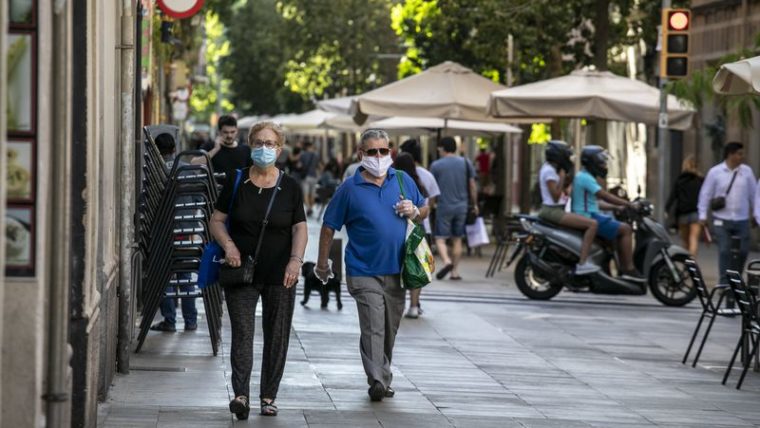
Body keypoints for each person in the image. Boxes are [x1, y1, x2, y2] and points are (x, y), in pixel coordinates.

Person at [314, 129, 428, 402]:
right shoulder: (349, 189)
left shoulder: (402, 180)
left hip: (398, 270)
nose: (379, 156)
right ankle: (377, 379)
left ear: (390, 152)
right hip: (362, 270)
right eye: (372, 151)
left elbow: (424, 210)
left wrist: (415, 211)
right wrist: (322, 263)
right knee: (374, 324)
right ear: (360, 154)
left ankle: (382, 373)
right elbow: (329, 227)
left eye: (384, 151)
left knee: (390, 327)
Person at [209, 121, 307, 420]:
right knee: (242, 333)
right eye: (259, 143)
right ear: (250, 145)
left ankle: (268, 396)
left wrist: (296, 260)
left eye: (270, 144)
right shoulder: (238, 182)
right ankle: (241, 395)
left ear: (280, 149)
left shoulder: (290, 186)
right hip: (241, 271)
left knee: (276, 335)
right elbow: (215, 220)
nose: (264, 148)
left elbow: (300, 227)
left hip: (280, 273)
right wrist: (229, 246)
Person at [571, 146, 644, 282]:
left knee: (614, 234)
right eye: (601, 162)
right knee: (626, 229)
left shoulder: (584, 176)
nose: (604, 166)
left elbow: (595, 203)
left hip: (589, 213)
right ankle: (629, 269)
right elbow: (604, 196)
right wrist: (628, 204)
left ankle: (608, 268)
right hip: (588, 217)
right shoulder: (586, 178)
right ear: (593, 162)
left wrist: (616, 207)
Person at [150, 132, 198, 332]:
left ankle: (169, 320)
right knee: (185, 276)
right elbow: (198, 198)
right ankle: (191, 320)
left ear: (156, 151)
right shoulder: (188, 170)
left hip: (163, 230)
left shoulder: (154, 171)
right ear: (174, 149)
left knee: (165, 277)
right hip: (185, 229)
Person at [698, 142, 756, 288]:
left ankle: (736, 280)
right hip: (721, 219)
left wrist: (756, 214)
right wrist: (702, 215)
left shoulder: (747, 172)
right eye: (739, 153)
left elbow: (754, 195)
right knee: (725, 250)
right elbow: (705, 194)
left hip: (742, 219)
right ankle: (724, 283)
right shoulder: (715, 172)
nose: (742, 156)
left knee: (742, 251)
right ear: (730, 154)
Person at [538, 141, 599, 275]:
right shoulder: (549, 171)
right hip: (552, 211)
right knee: (592, 225)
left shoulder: (551, 168)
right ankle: (583, 263)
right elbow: (555, 196)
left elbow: (562, 192)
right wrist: (561, 178)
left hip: (557, 209)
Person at [399, 138, 440, 318]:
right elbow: (431, 203)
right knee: (417, 267)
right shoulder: (424, 178)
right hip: (421, 230)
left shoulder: (392, 179)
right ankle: (414, 305)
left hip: (399, 231)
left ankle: (398, 302)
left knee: (399, 267)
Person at [430, 137, 477, 281]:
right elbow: (472, 185)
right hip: (462, 206)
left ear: (443, 148)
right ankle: (455, 272)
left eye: (439, 148)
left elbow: (431, 188)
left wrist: (431, 204)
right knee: (457, 239)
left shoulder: (436, 165)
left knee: (440, 238)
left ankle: (446, 261)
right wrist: (474, 204)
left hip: (444, 206)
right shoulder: (465, 162)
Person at [666, 155, 704, 256]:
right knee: (693, 240)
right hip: (696, 213)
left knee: (685, 242)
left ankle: (686, 263)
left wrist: (667, 209)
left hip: (683, 214)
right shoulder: (700, 180)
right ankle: (692, 264)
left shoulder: (680, 180)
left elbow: (673, 196)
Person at [196, 115, 252, 179]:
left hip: (238, 188)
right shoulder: (210, 146)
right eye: (225, 132)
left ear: (237, 131)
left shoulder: (245, 149)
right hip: (215, 188)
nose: (229, 135)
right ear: (219, 132)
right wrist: (215, 149)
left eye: (232, 132)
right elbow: (194, 163)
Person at [299, 141, 320, 216]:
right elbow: (318, 166)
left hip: (306, 177)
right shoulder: (316, 155)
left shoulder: (303, 155)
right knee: (312, 194)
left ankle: (308, 208)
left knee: (306, 194)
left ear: (306, 147)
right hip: (314, 176)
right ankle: (311, 208)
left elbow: (299, 165)